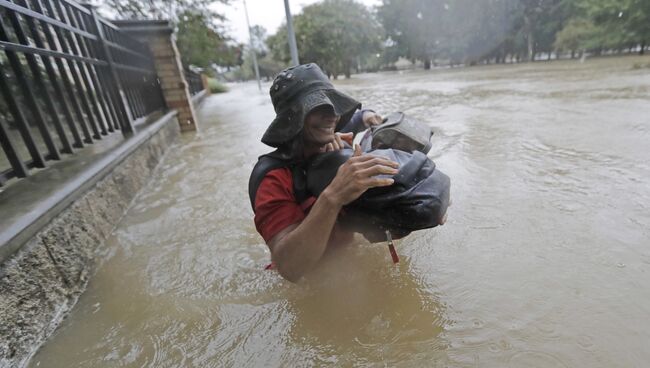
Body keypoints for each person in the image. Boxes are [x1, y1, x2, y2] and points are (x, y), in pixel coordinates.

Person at [249, 63, 399, 282]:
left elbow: (390, 216)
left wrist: (424, 200)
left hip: (351, 269)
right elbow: (290, 269)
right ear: (293, 117)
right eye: (318, 108)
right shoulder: (273, 178)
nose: (331, 117)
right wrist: (332, 197)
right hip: (311, 282)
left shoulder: (343, 148)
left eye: (333, 106)